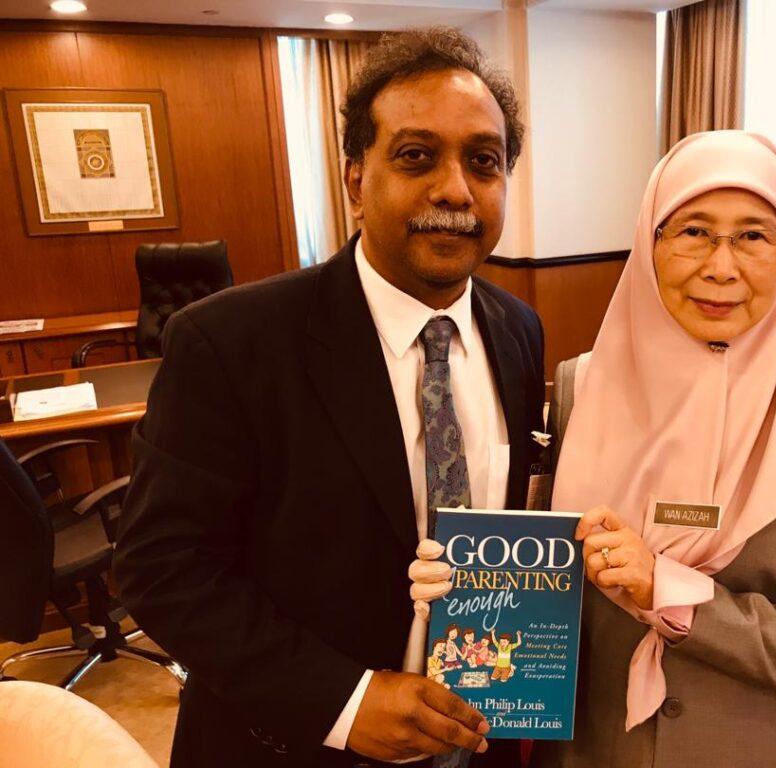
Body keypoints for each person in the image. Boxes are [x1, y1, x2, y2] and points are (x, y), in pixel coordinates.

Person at [114, 26, 542, 768]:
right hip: (289, 743)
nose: (454, 188)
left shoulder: (520, 332)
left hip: (479, 737)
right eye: (416, 156)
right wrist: (342, 701)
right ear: (354, 179)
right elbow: (160, 568)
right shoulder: (229, 342)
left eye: (484, 161)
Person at [412, 131, 776, 767]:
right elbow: (540, 571)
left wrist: (671, 594)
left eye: (753, 235)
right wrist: (463, 580)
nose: (721, 267)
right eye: (693, 231)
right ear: (651, 242)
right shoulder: (581, 386)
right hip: (595, 745)